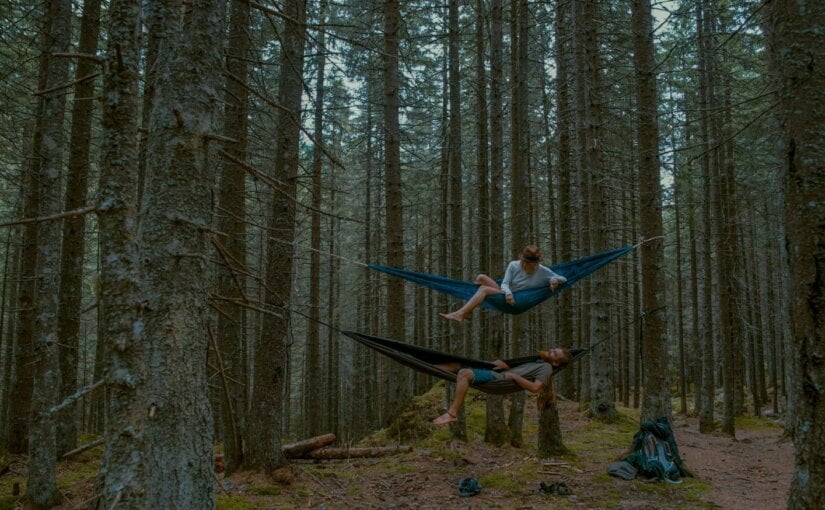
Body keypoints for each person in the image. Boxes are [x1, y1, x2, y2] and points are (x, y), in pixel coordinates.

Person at [432, 347, 572, 425]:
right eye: (554, 349)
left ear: (555, 364)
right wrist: (507, 367)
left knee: (464, 373)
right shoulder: (538, 362)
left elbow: (536, 388)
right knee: (455, 365)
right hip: (500, 372)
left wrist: (514, 376)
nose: (551, 350)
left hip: (499, 379)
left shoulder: (547, 367)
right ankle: (421, 363)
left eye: (555, 353)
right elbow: (518, 371)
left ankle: (452, 413)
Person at [439, 244, 567, 322]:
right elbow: (505, 284)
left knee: (483, 289)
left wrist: (553, 279)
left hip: (519, 300)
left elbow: (564, 278)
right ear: (523, 261)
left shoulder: (543, 271)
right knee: (480, 278)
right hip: (507, 294)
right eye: (528, 263)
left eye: (534, 264)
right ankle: (468, 313)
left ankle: (460, 314)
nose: (532, 266)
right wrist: (508, 294)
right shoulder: (514, 265)